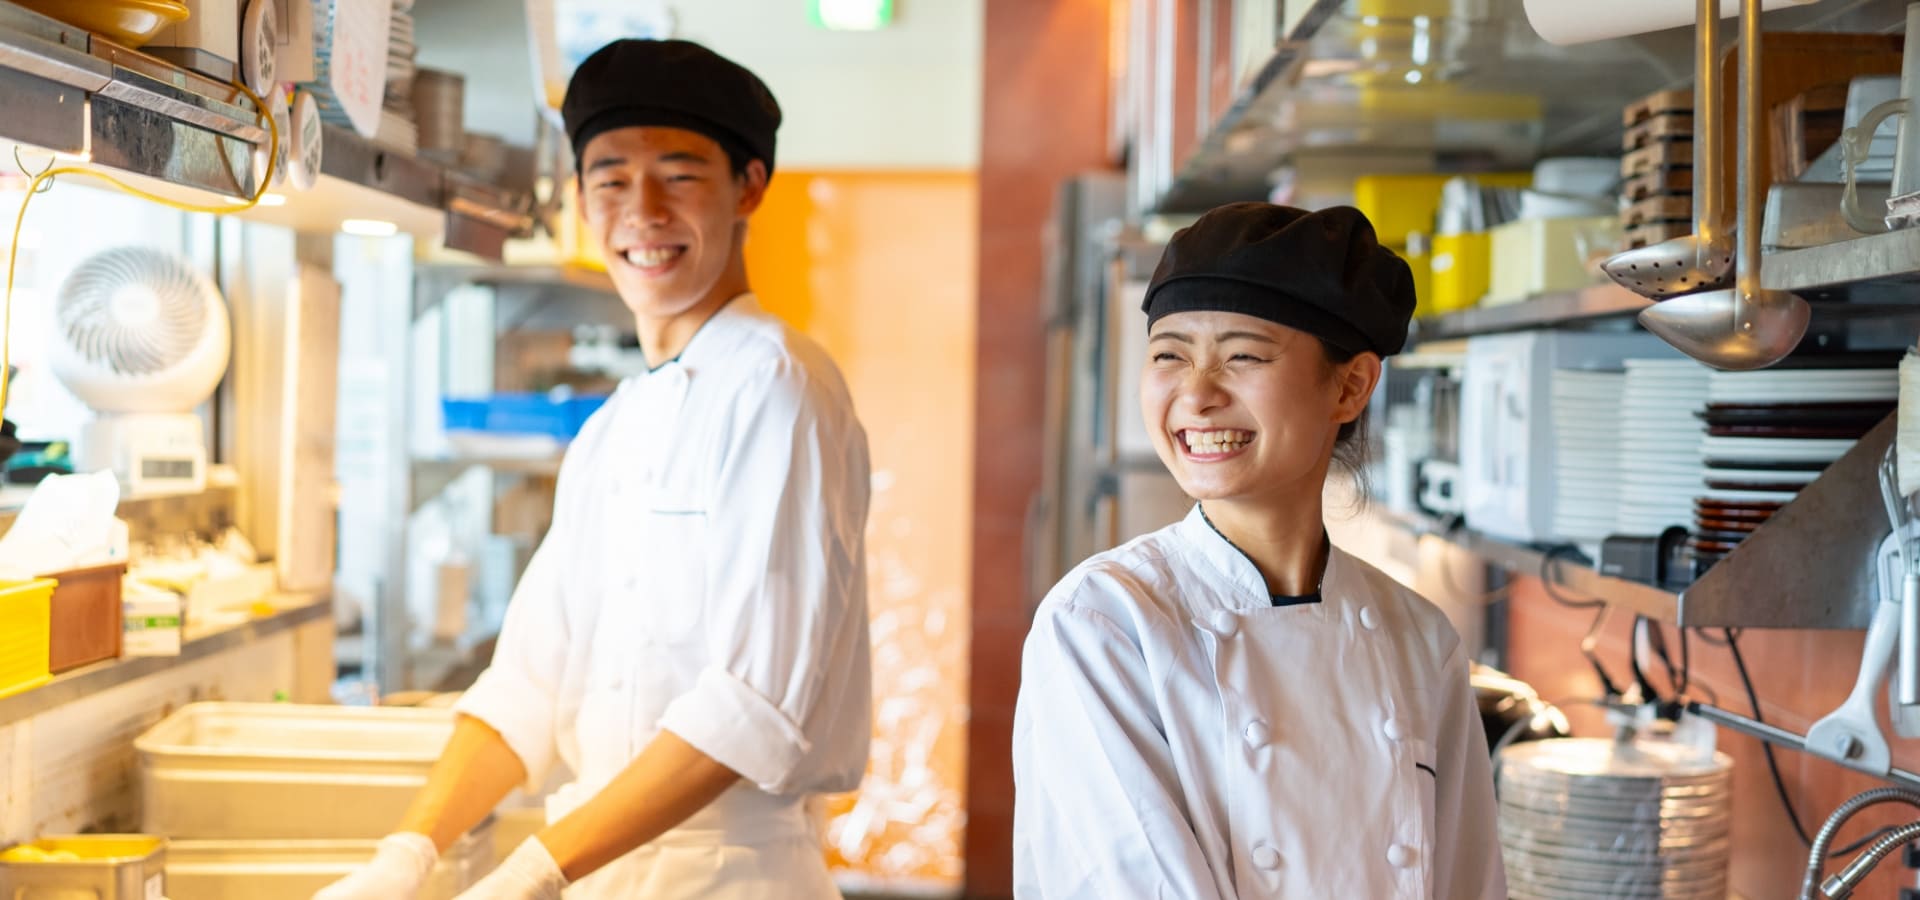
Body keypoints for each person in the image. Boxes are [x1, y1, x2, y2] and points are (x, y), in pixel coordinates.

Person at [314, 38, 872, 900]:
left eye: (679, 176)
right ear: (580, 200)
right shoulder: (614, 426)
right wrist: (405, 855)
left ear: (749, 188)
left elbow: (752, 708)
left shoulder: (778, 387)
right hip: (604, 874)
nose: (642, 212)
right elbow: (528, 685)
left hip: (728, 877)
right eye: (611, 181)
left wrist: (533, 870)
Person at [1010, 203, 1505, 899]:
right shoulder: (1104, 621)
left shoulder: (1421, 640)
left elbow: (1467, 883)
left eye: (1242, 355)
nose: (1197, 394)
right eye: (1169, 355)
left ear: (1350, 386)